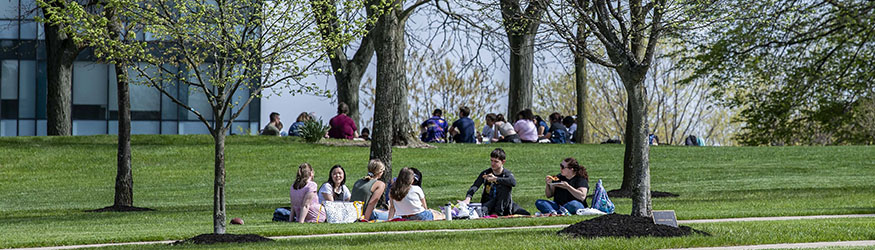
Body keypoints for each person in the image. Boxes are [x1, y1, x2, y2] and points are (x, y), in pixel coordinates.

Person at [459, 148, 529, 216]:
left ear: (503, 162)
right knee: (476, 212)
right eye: (491, 160)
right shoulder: (486, 173)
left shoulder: (506, 174)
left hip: (504, 203)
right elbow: (475, 186)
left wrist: (495, 179)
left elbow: (513, 182)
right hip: (489, 202)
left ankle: (500, 212)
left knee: (526, 214)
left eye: (496, 161)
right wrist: (468, 198)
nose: (492, 163)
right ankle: (497, 213)